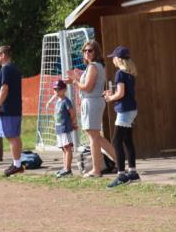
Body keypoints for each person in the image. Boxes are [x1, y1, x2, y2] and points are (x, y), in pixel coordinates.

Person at [65, 40, 117, 177]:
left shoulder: (94, 66)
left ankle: (96, 170)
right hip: (92, 101)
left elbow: (88, 87)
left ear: (96, 52)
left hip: (92, 102)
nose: (86, 53)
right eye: (84, 51)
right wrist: (76, 78)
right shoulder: (94, 66)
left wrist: (75, 81)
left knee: (93, 138)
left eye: (90, 50)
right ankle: (120, 161)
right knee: (96, 137)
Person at [104, 46, 141, 188]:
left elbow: (120, 94)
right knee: (127, 140)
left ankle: (121, 175)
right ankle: (133, 172)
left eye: (113, 57)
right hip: (131, 109)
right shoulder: (130, 73)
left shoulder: (120, 73)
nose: (112, 59)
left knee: (116, 141)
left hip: (124, 111)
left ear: (118, 59)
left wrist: (110, 98)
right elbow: (123, 92)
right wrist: (113, 95)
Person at [0, 45, 24, 177]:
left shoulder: (6, 69)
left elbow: (4, 88)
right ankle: (17, 162)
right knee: (15, 136)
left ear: (3, 55)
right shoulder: (14, 68)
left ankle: (17, 165)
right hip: (15, 107)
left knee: (11, 136)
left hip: (8, 108)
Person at [52, 80, 76, 177]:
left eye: (58, 89)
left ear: (64, 90)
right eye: (55, 89)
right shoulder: (58, 101)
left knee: (67, 148)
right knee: (63, 148)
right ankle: (64, 167)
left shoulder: (66, 101)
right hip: (59, 128)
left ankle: (68, 169)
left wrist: (71, 123)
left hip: (65, 128)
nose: (56, 91)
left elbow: (72, 113)